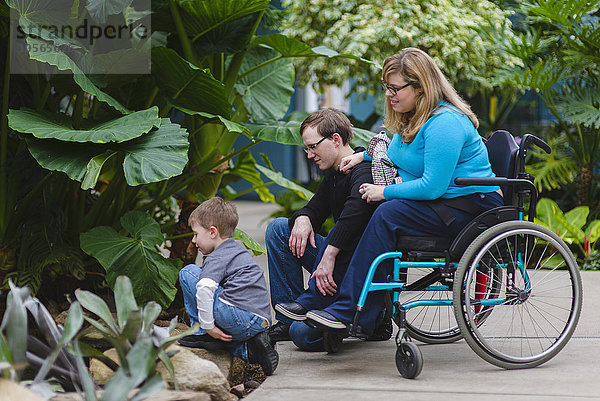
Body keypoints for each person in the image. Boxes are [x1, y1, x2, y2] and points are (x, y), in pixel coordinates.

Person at [301, 47, 504, 336]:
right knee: (382, 212)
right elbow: (397, 153)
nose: (389, 94)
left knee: (387, 212)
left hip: (471, 209)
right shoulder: (413, 118)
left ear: (420, 87)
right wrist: (363, 157)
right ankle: (358, 311)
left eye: (395, 88)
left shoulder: (444, 123)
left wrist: (384, 192)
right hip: (446, 204)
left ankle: (347, 309)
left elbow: (432, 186)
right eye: (387, 87)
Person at [266, 108, 387, 351]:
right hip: (340, 263)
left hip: (360, 271)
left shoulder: (363, 169)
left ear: (335, 139)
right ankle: (289, 317)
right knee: (280, 228)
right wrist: (303, 218)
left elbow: (355, 213)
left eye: (313, 147)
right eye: (307, 148)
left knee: (301, 335)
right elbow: (315, 208)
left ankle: (373, 318)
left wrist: (329, 254)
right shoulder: (335, 173)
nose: (309, 155)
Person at [178, 197, 278, 375]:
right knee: (220, 341)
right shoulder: (237, 251)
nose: (193, 240)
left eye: (195, 234)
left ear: (212, 232)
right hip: (258, 321)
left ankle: (202, 333)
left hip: (239, 317)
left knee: (189, 273)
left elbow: (204, 288)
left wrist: (208, 326)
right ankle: (251, 350)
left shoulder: (218, 256)